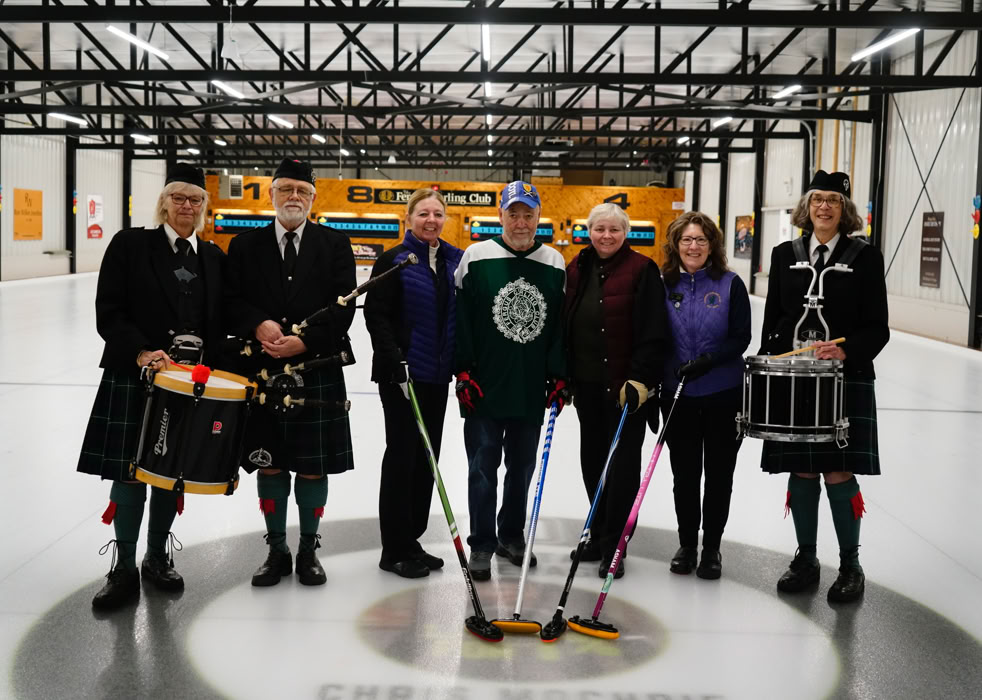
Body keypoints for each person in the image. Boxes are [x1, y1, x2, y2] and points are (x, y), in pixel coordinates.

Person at [77, 163, 226, 610]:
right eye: (178, 197)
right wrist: (142, 351)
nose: (187, 206)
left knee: (170, 471)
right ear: (164, 202)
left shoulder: (215, 258)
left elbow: (221, 323)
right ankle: (123, 566)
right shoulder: (131, 245)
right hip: (135, 374)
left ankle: (156, 557)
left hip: (187, 385)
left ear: (203, 207)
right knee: (128, 471)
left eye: (195, 199)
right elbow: (109, 310)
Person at [225, 157, 357, 588]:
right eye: (285, 189)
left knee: (313, 466)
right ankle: (276, 549)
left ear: (314, 198)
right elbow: (231, 299)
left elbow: (345, 307)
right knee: (270, 464)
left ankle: (308, 551)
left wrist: (308, 341)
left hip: (315, 366)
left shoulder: (335, 245)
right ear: (271, 195)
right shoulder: (244, 246)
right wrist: (256, 322)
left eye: (302, 190)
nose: (293, 197)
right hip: (261, 369)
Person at [761, 170, 889, 603]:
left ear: (845, 209)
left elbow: (879, 328)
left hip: (845, 379)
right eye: (818, 199)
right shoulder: (784, 254)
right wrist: (772, 368)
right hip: (796, 380)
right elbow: (773, 322)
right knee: (801, 468)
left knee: (839, 469)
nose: (825, 207)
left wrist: (848, 351)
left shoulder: (864, 257)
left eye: (834, 200)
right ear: (807, 207)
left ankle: (851, 565)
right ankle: (806, 558)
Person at [454, 180, 567, 581]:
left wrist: (558, 373)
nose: (520, 222)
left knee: (521, 468)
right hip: (484, 387)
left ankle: (511, 537)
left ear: (538, 217)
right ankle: (482, 544)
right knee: (482, 468)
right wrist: (463, 371)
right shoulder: (476, 256)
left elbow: (558, 326)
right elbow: (461, 319)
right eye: (513, 213)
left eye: (528, 214)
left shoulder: (554, 262)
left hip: (529, 387)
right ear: (500, 215)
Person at [563, 202, 669, 579]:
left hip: (627, 391)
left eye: (614, 229)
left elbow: (654, 330)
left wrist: (640, 378)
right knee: (592, 461)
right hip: (587, 386)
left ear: (625, 233)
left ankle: (615, 543)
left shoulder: (642, 269)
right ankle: (596, 531)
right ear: (588, 231)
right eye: (599, 229)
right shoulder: (577, 267)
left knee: (622, 468)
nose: (606, 236)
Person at [364, 189, 464, 579]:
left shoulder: (454, 260)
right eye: (423, 213)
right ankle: (394, 548)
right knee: (402, 457)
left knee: (428, 459)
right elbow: (377, 316)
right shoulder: (394, 261)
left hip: (437, 376)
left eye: (438, 214)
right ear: (409, 218)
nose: (431, 220)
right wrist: (395, 359)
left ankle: (412, 539)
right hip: (402, 377)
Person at [660, 211, 752, 580]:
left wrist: (711, 360)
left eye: (701, 239)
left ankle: (711, 547)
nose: (693, 246)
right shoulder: (662, 283)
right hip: (677, 392)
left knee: (718, 473)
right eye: (686, 240)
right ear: (675, 245)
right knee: (684, 474)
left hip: (722, 391)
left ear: (712, 244)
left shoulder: (730, 284)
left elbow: (741, 337)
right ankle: (686, 543)